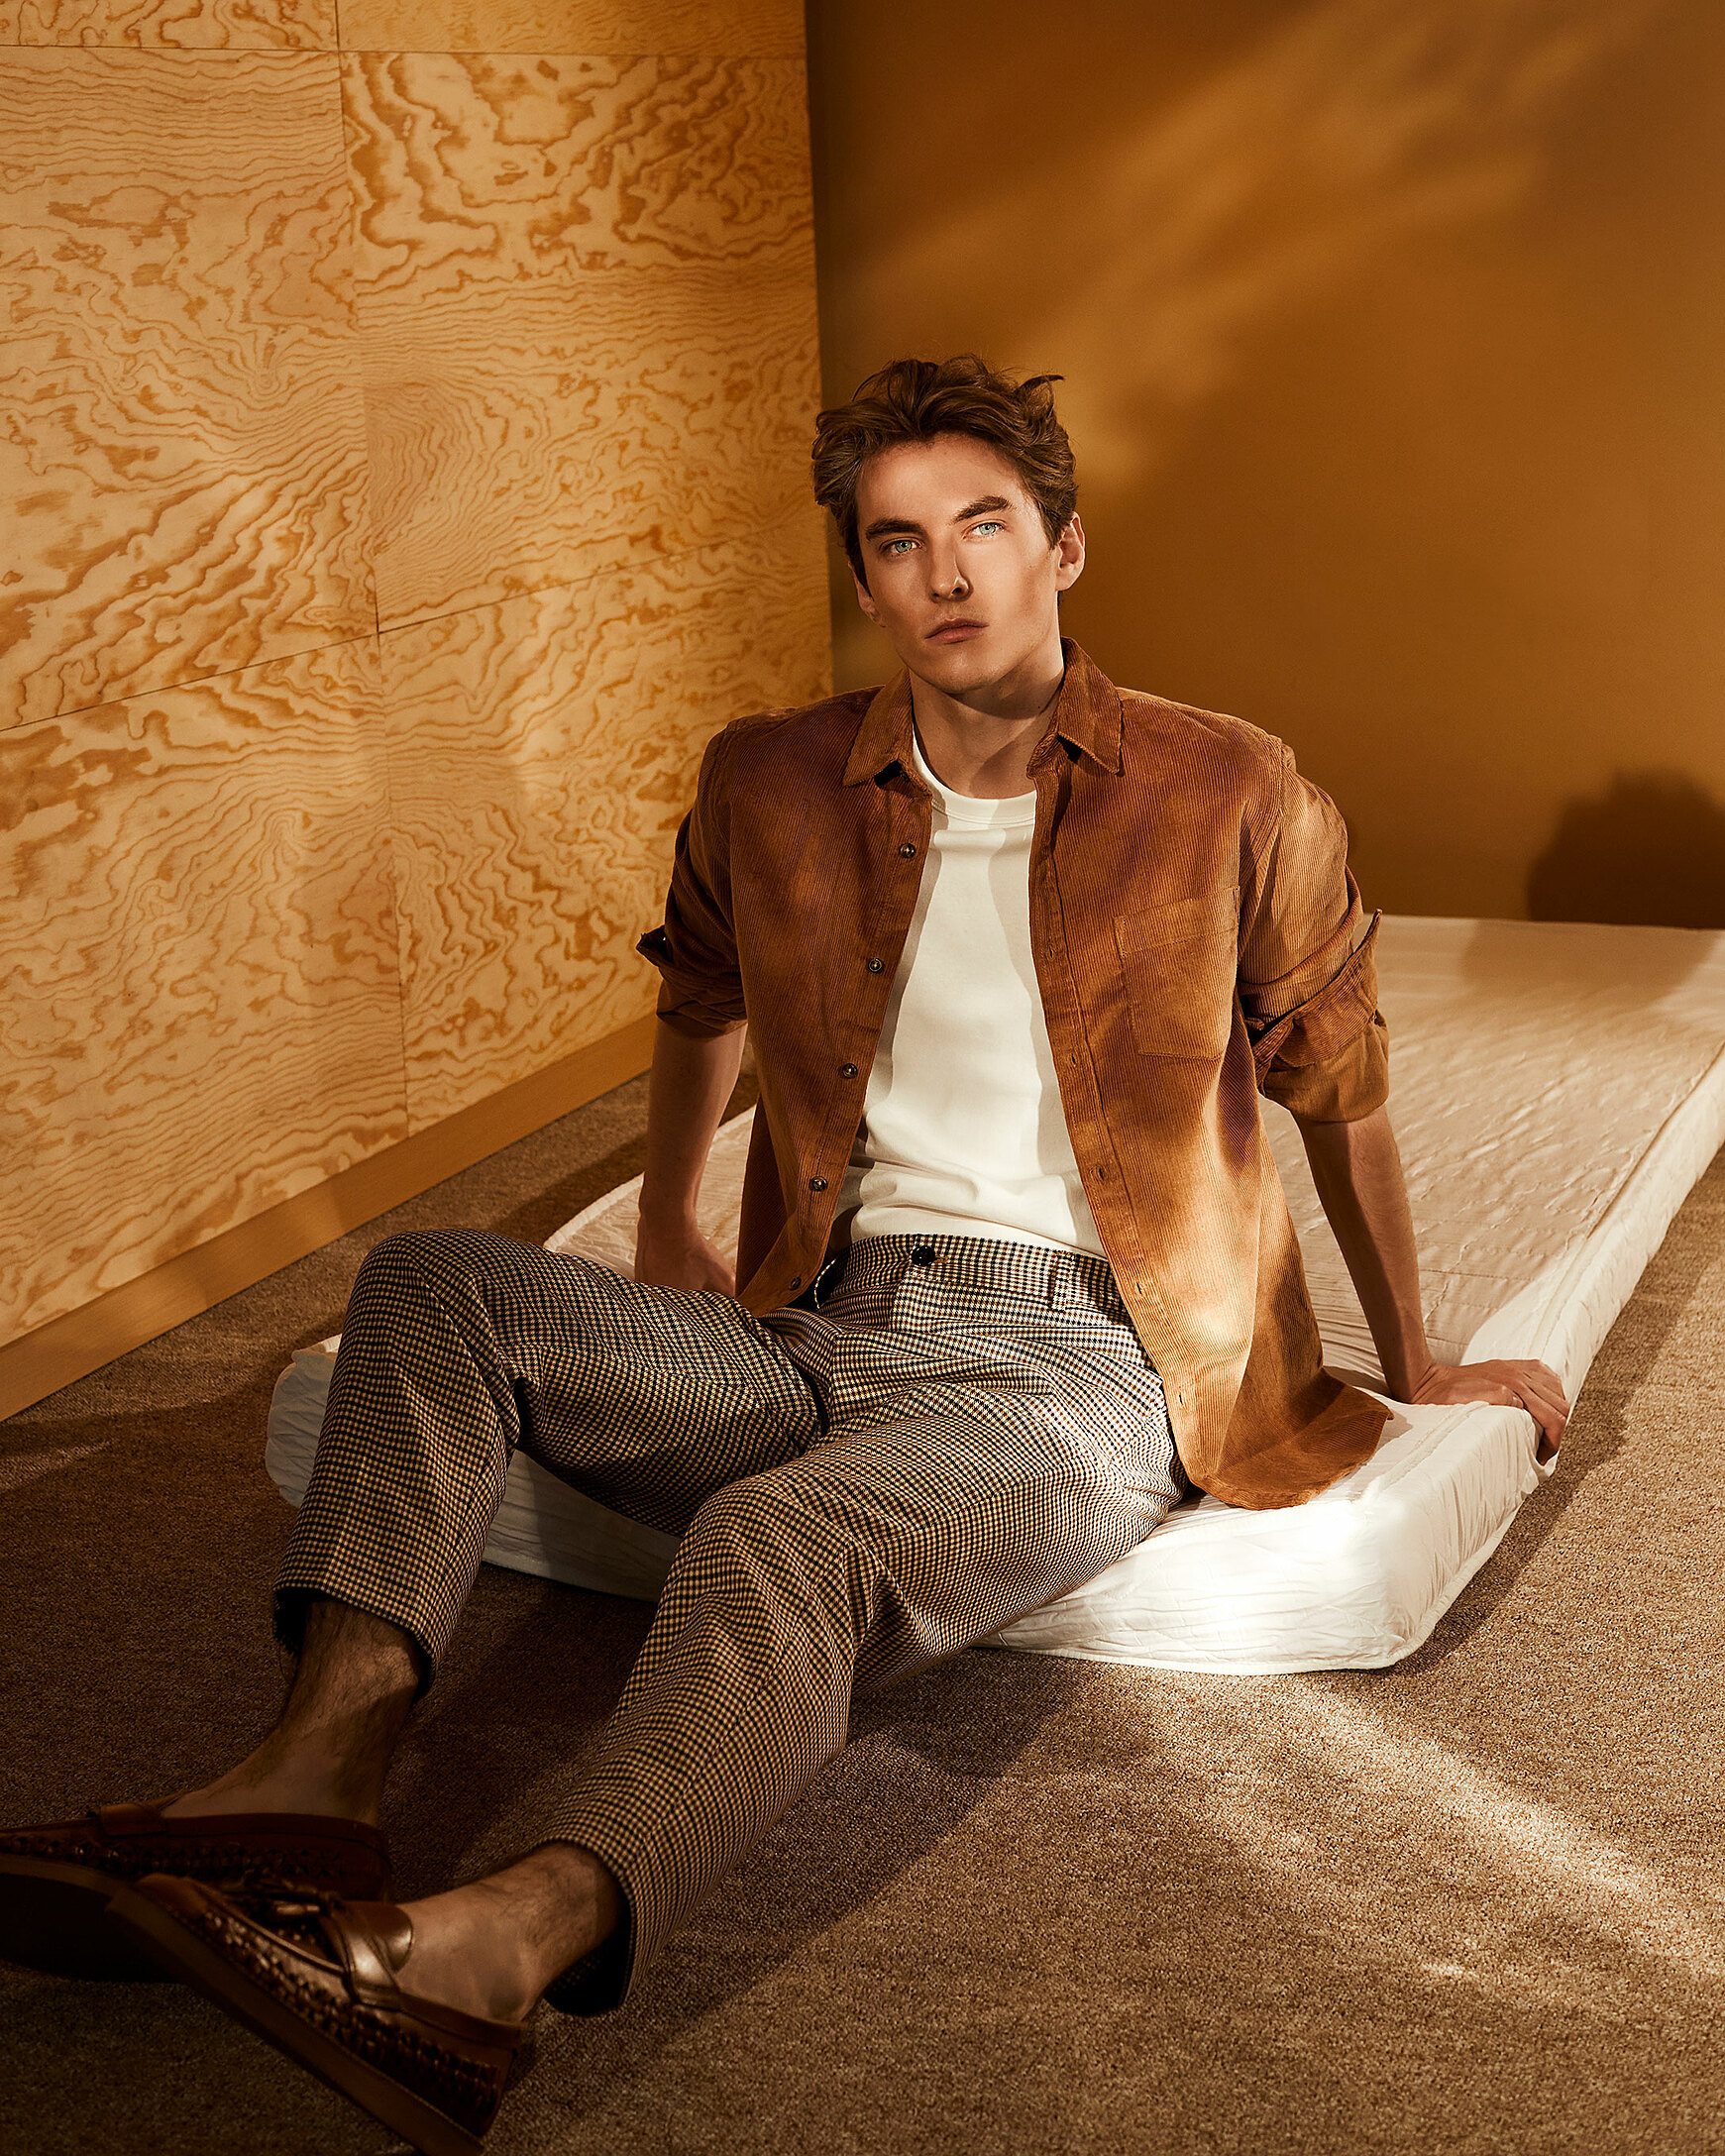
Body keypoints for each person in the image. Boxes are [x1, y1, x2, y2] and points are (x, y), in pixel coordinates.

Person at [0, 356, 1568, 2156]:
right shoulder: (768, 779)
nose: (947, 574)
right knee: (438, 1287)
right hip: (824, 1321)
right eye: (898, 544)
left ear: (1064, 548)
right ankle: (312, 1779)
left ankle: (508, 1942)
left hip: (1082, 1370)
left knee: (779, 1536)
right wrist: (672, 1226)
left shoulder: (1229, 788)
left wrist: (1416, 1356)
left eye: (984, 526)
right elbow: (700, 994)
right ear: (867, 579)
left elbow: (1336, 1081)